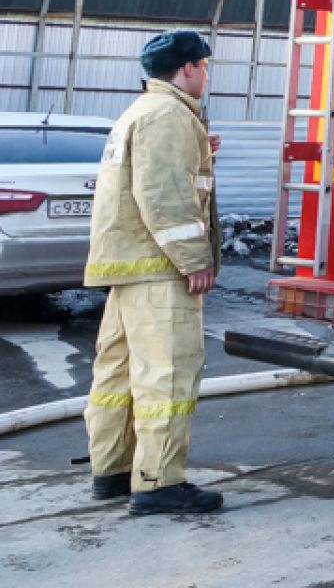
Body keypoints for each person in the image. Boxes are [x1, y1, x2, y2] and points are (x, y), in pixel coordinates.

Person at [82, 30, 224, 515]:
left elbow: (157, 179)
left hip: (128, 265)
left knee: (117, 375)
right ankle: (158, 483)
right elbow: (164, 197)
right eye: (203, 65)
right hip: (160, 269)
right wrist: (195, 260)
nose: (206, 74)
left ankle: (113, 471)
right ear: (186, 68)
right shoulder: (168, 116)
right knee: (167, 376)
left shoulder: (141, 112)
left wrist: (204, 151)